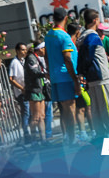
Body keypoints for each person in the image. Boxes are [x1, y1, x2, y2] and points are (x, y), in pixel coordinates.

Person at [76, 9, 109, 139]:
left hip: (92, 77)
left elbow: (83, 57)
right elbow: (89, 55)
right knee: (106, 109)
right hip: (100, 76)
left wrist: (82, 71)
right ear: (95, 20)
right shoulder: (92, 36)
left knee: (96, 110)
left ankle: (101, 134)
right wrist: (84, 69)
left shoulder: (84, 36)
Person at [44, 8, 80, 144]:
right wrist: (75, 80)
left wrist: (49, 70)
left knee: (64, 109)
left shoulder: (48, 35)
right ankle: (73, 138)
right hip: (65, 76)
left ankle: (67, 138)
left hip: (55, 76)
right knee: (70, 108)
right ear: (66, 18)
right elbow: (67, 58)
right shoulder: (64, 36)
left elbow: (46, 56)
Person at [23, 42, 48, 144]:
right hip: (33, 89)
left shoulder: (37, 57)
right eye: (44, 48)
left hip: (40, 88)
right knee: (35, 117)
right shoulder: (31, 58)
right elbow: (34, 72)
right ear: (40, 49)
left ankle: (43, 139)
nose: (45, 50)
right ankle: (33, 139)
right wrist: (45, 74)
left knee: (42, 116)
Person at [8, 43, 31, 141]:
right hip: (21, 92)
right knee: (26, 111)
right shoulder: (14, 62)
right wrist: (21, 88)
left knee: (30, 112)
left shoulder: (25, 61)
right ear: (17, 51)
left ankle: (30, 130)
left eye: (25, 49)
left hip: (28, 90)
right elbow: (11, 78)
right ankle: (26, 133)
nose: (24, 52)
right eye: (22, 50)